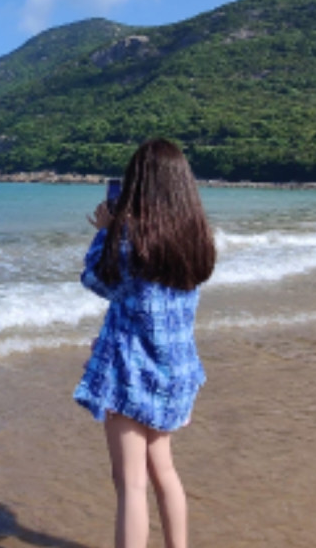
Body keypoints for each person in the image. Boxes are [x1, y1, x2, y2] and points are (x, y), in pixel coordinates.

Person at [74, 139, 216, 548]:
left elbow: (96, 280)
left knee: (130, 483)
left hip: (133, 372)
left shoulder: (131, 239)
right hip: (176, 371)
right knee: (163, 472)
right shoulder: (195, 238)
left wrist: (105, 232)